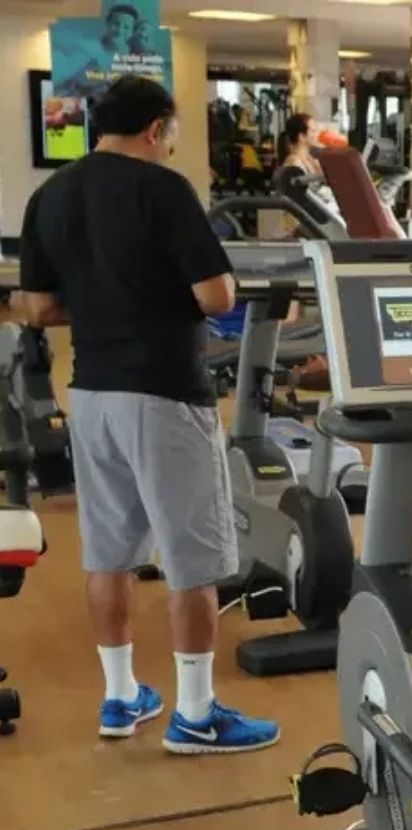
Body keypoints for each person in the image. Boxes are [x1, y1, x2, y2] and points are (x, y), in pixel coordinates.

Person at [12, 77, 280, 754]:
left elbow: (38, 308)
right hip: (164, 394)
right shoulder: (164, 189)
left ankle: (121, 695)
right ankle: (196, 713)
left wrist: (105, 306)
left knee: (109, 553)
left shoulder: (51, 195)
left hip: (91, 397)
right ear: (157, 129)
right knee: (193, 559)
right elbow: (217, 296)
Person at [282, 111, 322, 176]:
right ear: (301, 137)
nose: (317, 134)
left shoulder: (309, 159)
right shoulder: (295, 163)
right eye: (313, 131)